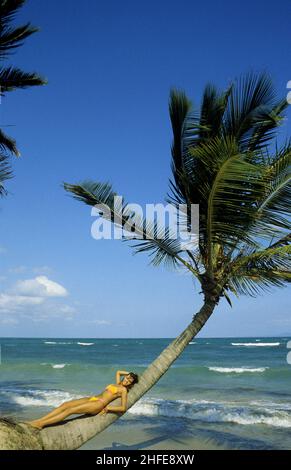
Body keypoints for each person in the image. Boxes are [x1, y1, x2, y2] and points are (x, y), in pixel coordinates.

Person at [27, 370, 139, 429]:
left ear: (131, 384)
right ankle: (39, 420)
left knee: (69, 411)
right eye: (127, 378)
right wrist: (130, 374)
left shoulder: (124, 390)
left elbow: (123, 408)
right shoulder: (118, 383)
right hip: (93, 398)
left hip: (98, 404)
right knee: (66, 405)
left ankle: (41, 424)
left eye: (130, 381)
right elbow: (118, 371)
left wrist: (109, 408)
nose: (127, 380)